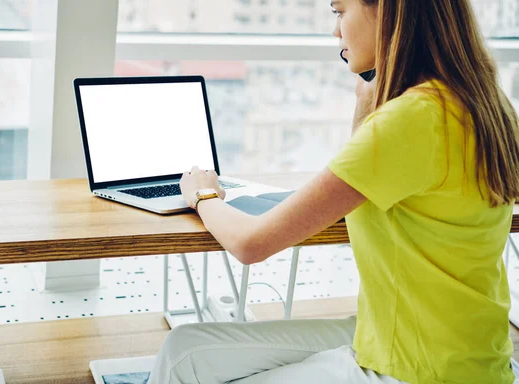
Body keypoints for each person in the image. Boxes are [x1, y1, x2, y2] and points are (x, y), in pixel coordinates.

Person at [148, 0, 519, 382]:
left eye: (340, 11)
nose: (336, 31)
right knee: (184, 349)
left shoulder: (411, 120)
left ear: (390, 12)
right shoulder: (483, 104)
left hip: (415, 368)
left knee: (182, 363)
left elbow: (250, 244)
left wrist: (203, 194)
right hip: (462, 352)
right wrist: (366, 99)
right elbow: (368, 188)